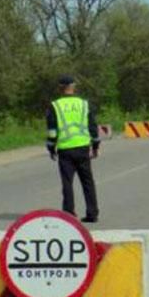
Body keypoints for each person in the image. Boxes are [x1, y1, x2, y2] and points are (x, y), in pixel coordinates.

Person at [46, 75, 100, 223]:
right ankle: (92, 213)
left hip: (65, 149)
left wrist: (51, 147)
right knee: (87, 181)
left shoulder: (55, 105)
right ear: (74, 86)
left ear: (60, 88)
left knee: (67, 182)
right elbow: (92, 126)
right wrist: (95, 146)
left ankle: (69, 214)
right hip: (83, 147)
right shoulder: (84, 104)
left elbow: (52, 130)